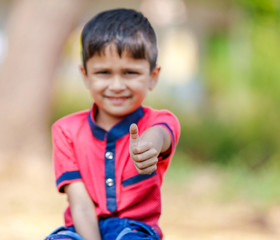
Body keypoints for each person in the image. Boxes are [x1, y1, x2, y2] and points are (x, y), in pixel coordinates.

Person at [45, 8, 180, 240]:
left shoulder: (159, 122)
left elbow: (161, 136)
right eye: (104, 72)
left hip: (135, 230)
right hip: (81, 230)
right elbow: (80, 204)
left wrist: (149, 146)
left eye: (130, 72)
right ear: (85, 75)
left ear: (153, 76)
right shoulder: (65, 131)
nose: (117, 85)